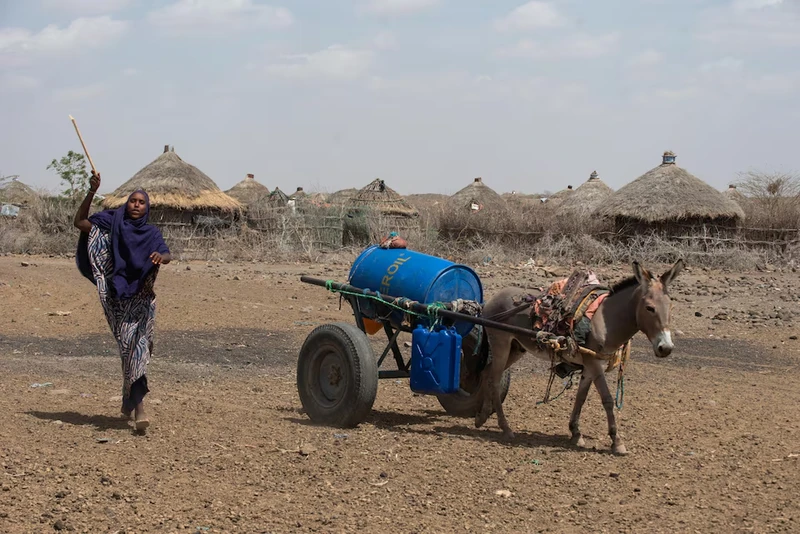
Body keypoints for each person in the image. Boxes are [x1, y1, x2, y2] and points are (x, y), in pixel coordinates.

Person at [74, 171, 171, 431]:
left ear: (147, 207)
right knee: (130, 353)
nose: (136, 205)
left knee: (138, 351)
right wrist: (92, 192)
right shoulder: (111, 225)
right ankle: (137, 407)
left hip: (142, 300)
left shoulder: (151, 233)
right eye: (133, 201)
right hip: (118, 299)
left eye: (141, 202)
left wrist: (161, 257)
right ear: (126, 203)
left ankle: (134, 405)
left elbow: (167, 252)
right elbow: (80, 222)